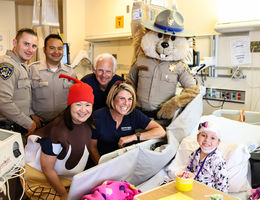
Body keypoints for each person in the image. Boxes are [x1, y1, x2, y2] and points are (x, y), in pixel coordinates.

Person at [23, 74, 95, 200]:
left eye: (88, 105)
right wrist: (63, 194)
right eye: (78, 104)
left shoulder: (87, 125)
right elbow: (47, 169)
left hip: (64, 180)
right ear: (70, 105)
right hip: (39, 180)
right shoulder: (57, 131)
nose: (83, 110)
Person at [89, 81, 166, 164]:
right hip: (100, 162)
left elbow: (161, 131)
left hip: (125, 162)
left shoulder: (134, 114)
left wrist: (133, 137)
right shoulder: (98, 116)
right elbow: (92, 148)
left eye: (130, 99)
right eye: (122, 98)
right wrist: (101, 168)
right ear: (112, 98)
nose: (126, 103)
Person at [30, 34, 76, 127]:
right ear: (44, 50)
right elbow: (24, 97)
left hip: (63, 124)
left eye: (59, 48)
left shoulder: (71, 72)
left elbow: (75, 98)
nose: (56, 52)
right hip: (39, 124)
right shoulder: (32, 70)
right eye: (52, 48)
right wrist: (31, 115)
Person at [0, 28, 38, 135]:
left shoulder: (21, 66)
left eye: (34, 46)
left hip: (18, 126)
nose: (30, 49)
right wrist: (28, 123)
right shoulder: (7, 65)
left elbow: (23, 96)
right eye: (26, 44)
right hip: (8, 128)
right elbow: (3, 102)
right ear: (15, 43)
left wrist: (31, 115)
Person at [186, 121, 229, 192]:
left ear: (218, 142)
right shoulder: (194, 154)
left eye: (212, 138)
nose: (207, 140)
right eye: (203, 135)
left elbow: (223, 188)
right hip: (191, 189)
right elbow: (188, 171)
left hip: (208, 195)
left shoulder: (218, 161)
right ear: (197, 137)